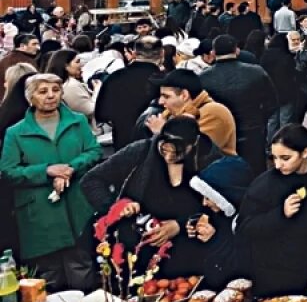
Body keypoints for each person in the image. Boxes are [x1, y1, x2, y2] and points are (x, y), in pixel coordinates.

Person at [81, 116, 223, 278]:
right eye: (164, 149)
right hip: (137, 252)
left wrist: (179, 225)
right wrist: (117, 207)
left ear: (193, 144)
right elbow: (91, 180)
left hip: (188, 256)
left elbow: (220, 208)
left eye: (177, 152)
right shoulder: (141, 151)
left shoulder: (210, 161)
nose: (169, 157)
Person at [0, 73, 101, 289]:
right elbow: (8, 171)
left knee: (82, 265)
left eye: (55, 90)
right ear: (30, 97)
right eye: (43, 91)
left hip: (76, 204)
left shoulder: (77, 121)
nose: (50, 96)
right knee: (49, 275)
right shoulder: (16, 133)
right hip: (39, 212)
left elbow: (94, 151)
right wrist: (46, 171)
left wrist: (70, 168)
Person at [237, 124, 307, 297]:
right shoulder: (264, 185)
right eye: (274, 158)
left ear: (305, 152)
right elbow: (244, 227)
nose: (278, 165)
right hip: (275, 272)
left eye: (285, 158)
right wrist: (280, 214)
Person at [199, 35, 276, 173]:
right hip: (252, 129)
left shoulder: (203, 77)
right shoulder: (256, 72)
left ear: (213, 53)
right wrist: (260, 119)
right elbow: (272, 102)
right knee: (256, 170)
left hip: (219, 133)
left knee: (224, 173)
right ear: (237, 50)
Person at [185, 155, 255, 287]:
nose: (204, 203)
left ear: (224, 197)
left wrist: (214, 239)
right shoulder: (220, 216)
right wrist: (197, 235)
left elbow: (236, 270)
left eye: (208, 197)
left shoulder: (249, 223)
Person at [146, 69, 238, 157]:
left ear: (184, 95)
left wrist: (163, 132)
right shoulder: (171, 114)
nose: (160, 102)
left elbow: (196, 153)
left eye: (166, 96)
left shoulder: (214, 112)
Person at [94, 36, 163, 150]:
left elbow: (102, 114)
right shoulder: (165, 80)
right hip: (155, 143)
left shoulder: (115, 77)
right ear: (162, 53)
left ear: (134, 53)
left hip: (123, 142)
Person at [46, 49, 95, 131]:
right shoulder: (70, 86)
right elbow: (90, 111)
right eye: (77, 62)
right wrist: (97, 90)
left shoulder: (66, 84)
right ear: (66, 66)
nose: (81, 65)